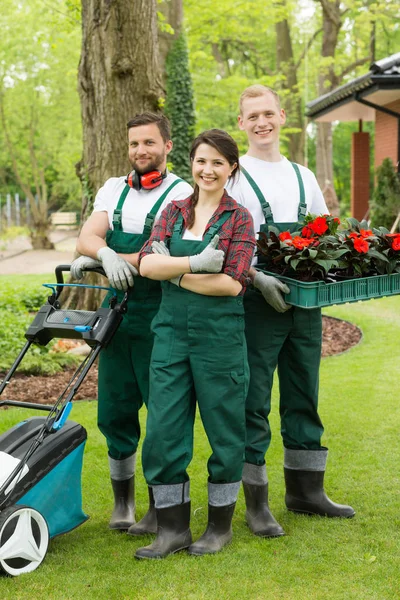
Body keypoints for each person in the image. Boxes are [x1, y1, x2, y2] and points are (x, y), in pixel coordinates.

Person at [227, 85, 355, 538]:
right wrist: (256, 278)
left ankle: (306, 492)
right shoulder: (233, 178)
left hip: (305, 304)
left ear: (282, 117)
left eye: (268, 113)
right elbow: (220, 242)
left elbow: (324, 235)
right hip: (255, 303)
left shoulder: (303, 175)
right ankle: (257, 503)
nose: (261, 122)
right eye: (252, 116)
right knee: (254, 400)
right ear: (241, 124)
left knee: (304, 393)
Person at [134, 129, 256, 559]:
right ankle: (172, 530)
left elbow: (231, 283)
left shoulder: (239, 218)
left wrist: (176, 272)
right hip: (169, 336)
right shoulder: (172, 211)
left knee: (225, 431)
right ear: (192, 163)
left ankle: (218, 528)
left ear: (231, 169)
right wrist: (193, 264)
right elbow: (147, 265)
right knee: (164, 431)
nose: (208, 169)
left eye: (218, 163)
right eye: (202, 161)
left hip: (219, 340)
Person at [70, 112, 193, 534]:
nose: (141, 151)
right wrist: (100, 254)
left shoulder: (183, 193)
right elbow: (87, 237)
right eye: (134, 144)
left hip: (163, 318)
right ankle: (122, 502)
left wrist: (106, 254)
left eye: (149, 143)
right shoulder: (112, 188)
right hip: (119, 318)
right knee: (115, 409)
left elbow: (160, 261)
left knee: (164, 413)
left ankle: (162, 505)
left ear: (167, 146)